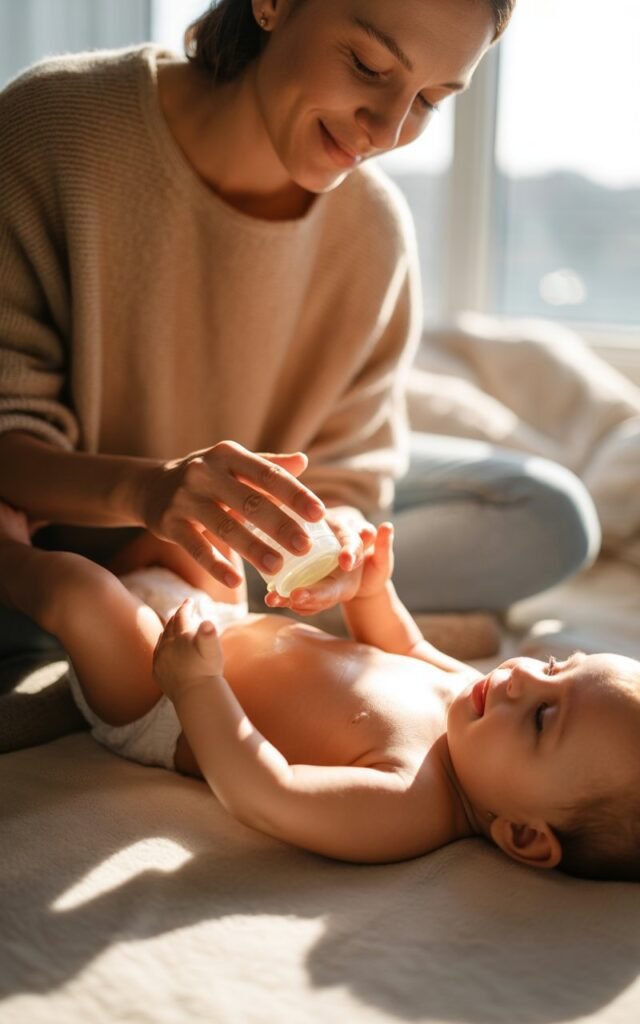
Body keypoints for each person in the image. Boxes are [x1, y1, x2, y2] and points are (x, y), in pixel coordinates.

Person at [0, 0, 598, 672]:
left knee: (550, 515)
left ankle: (162, 608)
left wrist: (338, 546)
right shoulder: (55, 129)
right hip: (71, 524)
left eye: (430, 99)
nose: (390, 129)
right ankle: (126, 611)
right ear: (273, 4)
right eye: (369, 66)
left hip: (241, 520)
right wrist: (147, 493)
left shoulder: (372, 231)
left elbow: (348, 475)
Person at [0, 499, 637, 882]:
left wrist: (196, 687)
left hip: (161, 697)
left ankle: (13, 552)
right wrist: (372, 590)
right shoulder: (474, 695)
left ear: (524, 836)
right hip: (215, 624)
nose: (523, 675)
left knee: (77, 593)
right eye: (556, 666)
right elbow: (404, 647)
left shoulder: (409, 803)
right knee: (197, 534)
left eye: (545, 717)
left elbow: (265, 792)